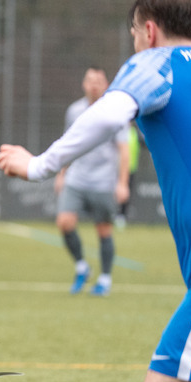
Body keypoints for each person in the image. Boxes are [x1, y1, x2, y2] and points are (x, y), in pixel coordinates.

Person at [0, 0, 191, 382]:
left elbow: (113, 112)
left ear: (150, 30)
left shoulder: (157, 63)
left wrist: (41, 163)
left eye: (134, 38)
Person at [53, 66, 130, 296]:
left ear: (105, 84)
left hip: (103, 181)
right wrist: (61, 173)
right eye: (90, 80)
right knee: (64, 222)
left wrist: (122, 182)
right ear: (83, 84)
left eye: (99, 80)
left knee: (103, 230)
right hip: (76, 178)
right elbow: (67, 144)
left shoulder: (115, 112)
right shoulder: (74, 111)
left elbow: (124, 150)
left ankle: (105, 279)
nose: (94, 84)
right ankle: (81, 266)